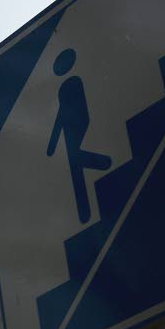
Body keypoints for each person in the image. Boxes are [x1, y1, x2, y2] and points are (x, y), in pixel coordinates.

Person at [45, 48, 113, 224]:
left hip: (79, 122)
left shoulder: (74, 82)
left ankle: (103, 161)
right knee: (74, 164)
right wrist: (52, 144)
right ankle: (85, 212)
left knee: (75, 159)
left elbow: (64, 111)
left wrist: (52, 145)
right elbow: (60, 114)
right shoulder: (64, 87)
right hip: (72, 126)